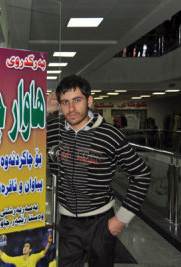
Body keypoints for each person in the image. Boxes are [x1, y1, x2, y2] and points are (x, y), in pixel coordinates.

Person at [47, 74, 151, 266]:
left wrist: (121, 219)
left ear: (90, 101)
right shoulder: (52, 130)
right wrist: (44, 111)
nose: (71, 109)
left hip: (102, 222)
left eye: (77, 100)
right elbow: (19, 138)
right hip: (68, 224)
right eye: (65, 102)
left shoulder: (110, 134)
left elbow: (141, 174)